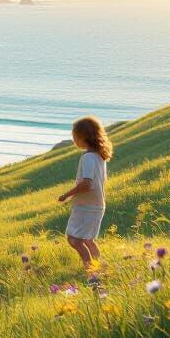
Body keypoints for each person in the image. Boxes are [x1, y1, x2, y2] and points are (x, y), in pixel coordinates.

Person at [58, 115, 111, 270]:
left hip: (87, 206)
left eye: (74, 136)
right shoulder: (99, 156)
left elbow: (87, 184)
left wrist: (66, 195)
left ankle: (90, 269)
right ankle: (98, 268)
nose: (74, 139)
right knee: (88, 240)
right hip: (96, 205)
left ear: (82, 136)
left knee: (74, 240)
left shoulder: (88, 157)